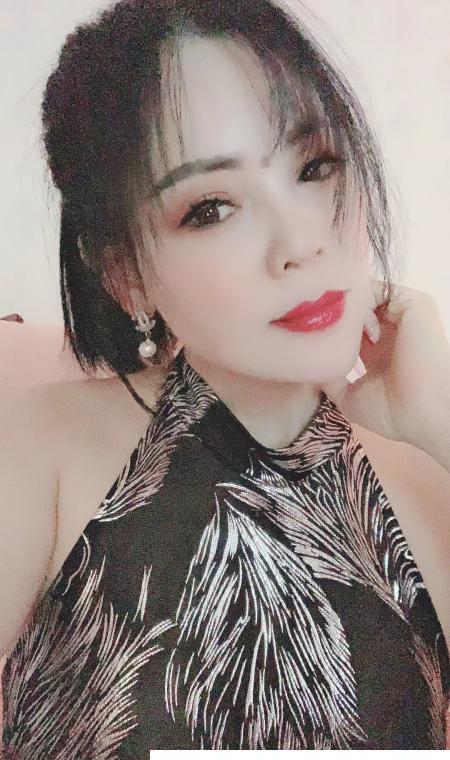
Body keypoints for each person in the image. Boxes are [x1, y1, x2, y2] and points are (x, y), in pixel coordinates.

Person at [1, 0, 449, 753]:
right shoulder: (38, 448)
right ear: (124, 274)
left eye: (314, 167)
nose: (299, 240)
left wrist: (442, 417)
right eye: (211, 208)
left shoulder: (427, 477)